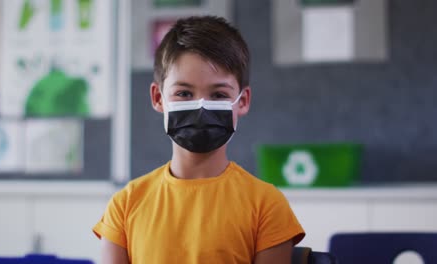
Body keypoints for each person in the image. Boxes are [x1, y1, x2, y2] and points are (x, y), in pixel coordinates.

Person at [93, 15, 305, 264]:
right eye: (184, 93)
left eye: (218, 94)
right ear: (159, 98)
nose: (201, 107)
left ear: (243, 101)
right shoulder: (126, 205)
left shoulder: (266, 205)